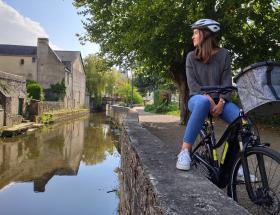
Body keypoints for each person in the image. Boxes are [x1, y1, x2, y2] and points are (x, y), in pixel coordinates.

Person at [176, 19, 241, 171]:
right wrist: (208, 99)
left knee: (241, 120)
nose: (192, 37)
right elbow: (193, 86)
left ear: (204, 34)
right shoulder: (191, 57)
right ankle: (185, 151)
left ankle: (236, 165)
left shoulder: (224, 54)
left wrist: (222, 102)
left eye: (195, 33)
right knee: (202, 103)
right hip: (197, 98)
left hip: (220, 101)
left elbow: (227, 84)